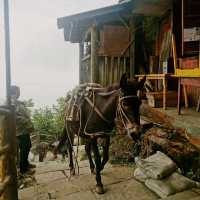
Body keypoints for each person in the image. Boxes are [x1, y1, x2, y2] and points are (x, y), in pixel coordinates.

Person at [10, 85, 36, 175]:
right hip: (20, 130)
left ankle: (25, 164)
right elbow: (14, 116)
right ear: (15, 92)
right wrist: (25, 121)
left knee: (27, 146)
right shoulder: (12, 101)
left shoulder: (16, 101)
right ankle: (23, 170)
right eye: (18, 91)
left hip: (23, 129)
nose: (19, 93)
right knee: (24, 148)